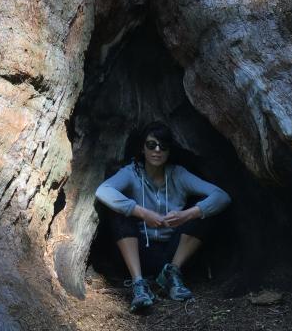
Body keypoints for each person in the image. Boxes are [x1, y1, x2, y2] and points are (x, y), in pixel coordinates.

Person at [95, 121, 231, 313]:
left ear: (169, 150)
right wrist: (142, 213)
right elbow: (103, 191)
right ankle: (138, 283)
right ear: (142, 148)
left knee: (202, 212)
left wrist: (186, 215)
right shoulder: (132, 173)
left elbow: (221, 196)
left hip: (173, 253)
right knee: (119, 213)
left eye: (163, 146)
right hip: (137, 253)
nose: (157, 150)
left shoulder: (179, 175)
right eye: (151, 145)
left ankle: (172, 275)